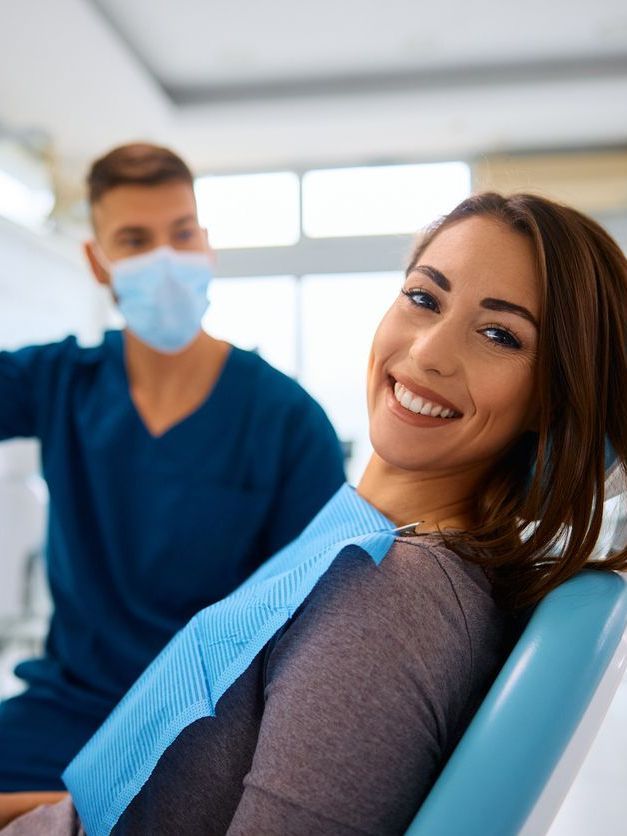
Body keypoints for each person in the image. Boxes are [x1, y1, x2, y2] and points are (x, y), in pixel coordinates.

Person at [1, 192, 625, 835]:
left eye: (500, 334)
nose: (430, 353)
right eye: (423, 298)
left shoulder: (390, 598)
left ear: (552, 400)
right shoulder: (366, 541)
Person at [0, 144, 346, 792]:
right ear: (97, 262)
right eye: (134, 240)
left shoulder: (286, 421)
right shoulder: (60, 383)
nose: (164, 259)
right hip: (66, 713)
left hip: (204, 726)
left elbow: (320, 630)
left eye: (181, 233)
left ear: (206, 246)